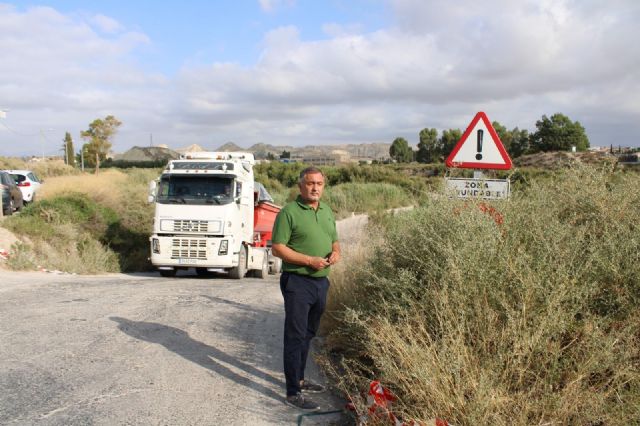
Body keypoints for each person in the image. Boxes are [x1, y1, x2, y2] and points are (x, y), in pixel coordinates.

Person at [271, 166, 341, 411]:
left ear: (323, 186)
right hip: (297, 281)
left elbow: (335, 241)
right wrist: (309, 260)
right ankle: (293, 392)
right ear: (300, 186)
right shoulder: (289, 212)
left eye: (319, 184)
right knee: (295, 335)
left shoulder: (326, 211)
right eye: (310, 183)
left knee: (309, 333)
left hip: (321, 281)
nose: (315, 188)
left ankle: (300, 378)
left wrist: (336, 253)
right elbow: (278, 248)